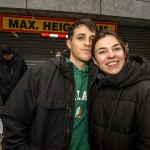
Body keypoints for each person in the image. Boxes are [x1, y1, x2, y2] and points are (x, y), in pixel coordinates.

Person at [0, 18, 98, 150]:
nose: (88, 43)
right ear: (69, 43)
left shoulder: (99, 78)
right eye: (81, 38)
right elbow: (13, 121)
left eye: (92, 39)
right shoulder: (40, 73)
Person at [89, 29, 150, 150]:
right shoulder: (97, 86)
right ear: (95, 61)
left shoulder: (144, 90)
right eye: (102, 52)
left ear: (125, 53)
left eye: (116, 49)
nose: (111, 55)